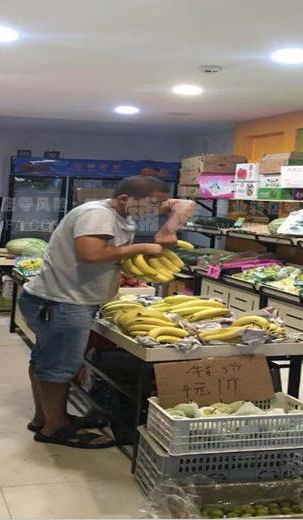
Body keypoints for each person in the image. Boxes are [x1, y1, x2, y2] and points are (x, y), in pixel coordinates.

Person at [18, 175, 191, 448]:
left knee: (44, 360)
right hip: (63, 302)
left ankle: (46, 418)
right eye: (151, 204)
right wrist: (142, 247)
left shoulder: (124, 209)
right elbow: (91, 254)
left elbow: (184, 204)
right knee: (59, 367)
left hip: (61, 300)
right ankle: (54, 429)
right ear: (124, 199)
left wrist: (169, 228)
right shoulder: (98, 215)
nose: (154, 210)